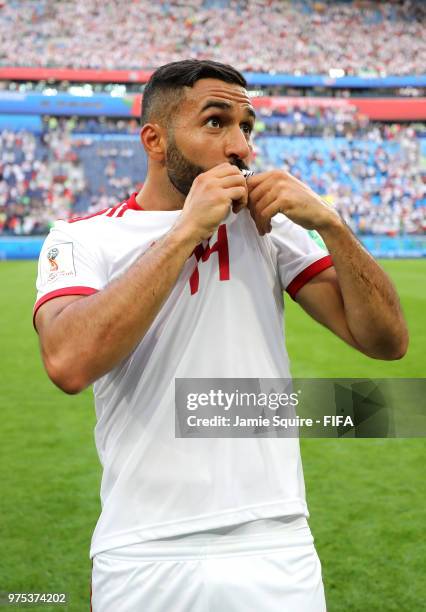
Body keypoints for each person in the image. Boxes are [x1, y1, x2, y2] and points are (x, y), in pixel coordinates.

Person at [33, 59, 408, 612]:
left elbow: (386, 340)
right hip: (144, 548)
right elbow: (68, 361)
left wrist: (330, 224)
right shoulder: (82, 239)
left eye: (247, 127)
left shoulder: (269, 229)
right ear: (155, 141)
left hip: (277, 541)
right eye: (216, 123)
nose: (240, 147)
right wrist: (188, 227)